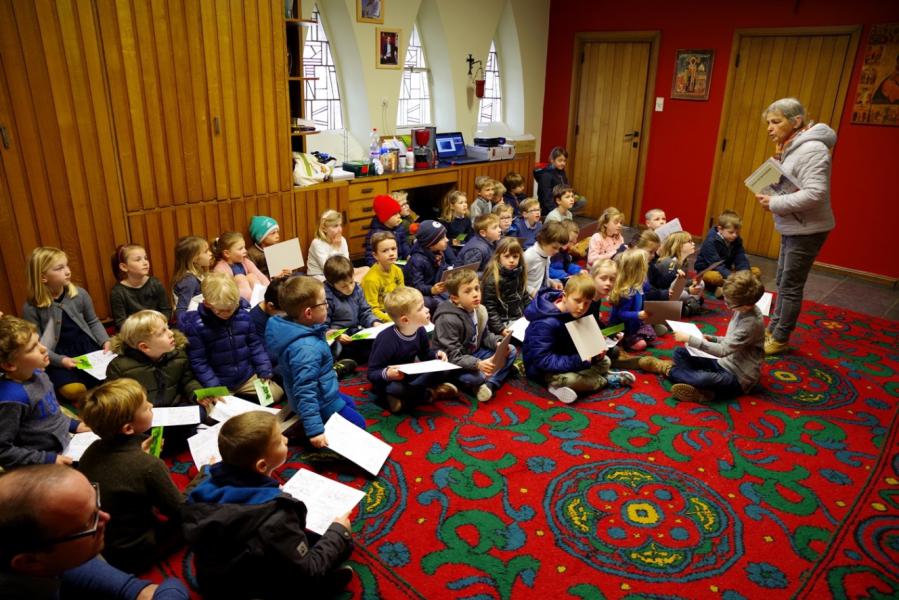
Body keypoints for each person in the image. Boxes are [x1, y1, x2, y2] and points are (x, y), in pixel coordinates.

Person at [182, 412, 354, 599]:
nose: (286, 440)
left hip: (214, 580)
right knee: (334, 551)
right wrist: (339, 533)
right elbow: (307, 571)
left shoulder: (200, 487)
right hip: (252, 590)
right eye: (279, 441)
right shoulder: (276, 517)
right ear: (262, 466)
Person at [0, 464, 188, 600]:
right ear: (30, 562)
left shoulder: (48, 560)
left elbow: (133, 589)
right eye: (88, 523)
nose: (106, 517)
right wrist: (172, 588)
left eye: (96, 503)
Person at [755, 97, 836, 355]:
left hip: (808, 228)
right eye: (768, 122)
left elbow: (816, 194)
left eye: (776, 122)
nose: (770, 128)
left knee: (790, 285)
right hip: (794, 225)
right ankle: (775, 327)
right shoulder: (790, 146)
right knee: (782, 279)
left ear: (796, 121)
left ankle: (780, 337)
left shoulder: (812, 149)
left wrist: (775, 202)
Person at [77, 378, 183, 573]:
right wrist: (204, 474)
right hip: (136, 551)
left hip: (106, 543)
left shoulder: (91, 450)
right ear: (127, 428)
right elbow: (181, 511)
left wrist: (139, 455)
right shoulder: (149, 466)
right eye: (145, 407)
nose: (151, 405)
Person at [266, 276, 367, 448]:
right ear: (308, 313)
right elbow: (305, 391)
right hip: (318, 401)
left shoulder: (294, 325)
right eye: (324, 303)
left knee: (350, 404)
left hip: (322, 391)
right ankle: (313, 440)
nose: (327, 306)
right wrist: (315, 431)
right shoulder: (306, 349)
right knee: (359, 425)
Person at [523, 273, 634, 404]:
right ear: (564, 297)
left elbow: (575, 341)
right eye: (577, 301)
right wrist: (580, 359)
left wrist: (595, 347)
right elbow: (544, 360)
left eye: (587, 303)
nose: (581, 307)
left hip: (567, 357)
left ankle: (595, 375)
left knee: (605, 361)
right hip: (542, 371)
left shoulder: (574, 311)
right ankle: (604, 380)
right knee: (573, 380)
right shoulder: (545, 324)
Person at [107, 310, 212, 447]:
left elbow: (187, 380)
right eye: (162, 332)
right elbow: (115, 401)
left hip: (173, 409)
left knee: (200, 411)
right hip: (145, 415)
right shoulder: (119, 367)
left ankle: (170, 440)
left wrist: (197, 394)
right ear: (145, 347)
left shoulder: (178, 355)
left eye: (168, 327)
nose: (171, 333)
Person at [0, 315, 90, 469]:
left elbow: (52, 414)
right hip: (41, 462)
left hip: (66, 446)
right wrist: (48, 459)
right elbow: (3, 451)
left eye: (38, 341)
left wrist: (75, 425)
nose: (44, 349)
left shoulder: (39, 373)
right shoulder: (11, 399)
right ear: (9, 365)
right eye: (33, 348)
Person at [23, 247, 111, 402]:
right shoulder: (31, 307)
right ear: (43, 277)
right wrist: (60, 360)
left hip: (86, 347)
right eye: (59, 268)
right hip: (57, 355)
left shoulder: (79, 293)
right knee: (74, 390)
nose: (68, 271)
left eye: (67, 265)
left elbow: (93, 321)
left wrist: (105, 341)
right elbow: (37, 344)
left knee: (112, 376)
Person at [180, 273, 284, 404]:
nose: (227, 314)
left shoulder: (244, 317)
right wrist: (214, 386)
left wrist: (264, 368)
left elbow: (255, 345)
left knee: (276, 394)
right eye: (221, 310)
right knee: (213, 411)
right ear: (207, 304)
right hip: (219, 381)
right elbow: (199, 362)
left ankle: (240, 399)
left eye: (231, 308)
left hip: (246, 377)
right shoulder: (196, 326)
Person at [668, 271, 766, 403]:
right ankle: (697, 385)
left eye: (730, 304)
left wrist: (690, 339)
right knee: (680, 353)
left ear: (747, 305)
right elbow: (730, 340)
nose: (727, 306)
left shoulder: (751, 323)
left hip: (737, 376)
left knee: (703, 379)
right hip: (723, 362)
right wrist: (713, 339)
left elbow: (722, 351)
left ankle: (669, 370)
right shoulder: (742, 310)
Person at [367, 286, 457, 413]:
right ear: (405, 320)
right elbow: (372, 373)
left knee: (444, 370)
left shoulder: (419, 329)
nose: (427, 309)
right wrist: (388, 374)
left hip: (409, 374)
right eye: (421, 308)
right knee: (395, 389)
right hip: (391, 380)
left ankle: (409, 397)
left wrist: (437, 355)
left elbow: (425, 354)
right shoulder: (387, 340)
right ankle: (430, 393)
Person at [432, 269, 517, 403]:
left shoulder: (478, 309)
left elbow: (484, 335)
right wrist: (477, 364)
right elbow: (452, 356)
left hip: (474, 352)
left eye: (477, 288)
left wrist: (498, 343)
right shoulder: (447, 319)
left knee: (510, 350)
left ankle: (490, 384)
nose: (475, 294)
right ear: (455, 298)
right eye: (468, 291)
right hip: (454, 363)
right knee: (476, 378)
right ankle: (485, 379)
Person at [323, 255, 380, 376]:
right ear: (332, 284)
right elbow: (322, 326)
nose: (350, 288)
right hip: (338, 337)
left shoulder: (357, 289)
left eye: (351, 282)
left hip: (354, 333)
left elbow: (365, 312)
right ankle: (334, 367)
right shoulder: (326, 297)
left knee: (377, 342)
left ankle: (351, 362)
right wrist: (336, 335)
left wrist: (374, 322)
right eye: (344, 286)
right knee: (334, 348)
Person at [695, 210, 761, 296]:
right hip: (709, 270)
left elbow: (741, 258)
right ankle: (736, 288)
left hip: (726, 270)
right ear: (720, 229)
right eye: (731, 232)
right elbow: (716, 265)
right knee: (714, 277)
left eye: (737, 232)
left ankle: (729, 288)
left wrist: (745, 274)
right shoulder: (710, 241)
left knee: (755, 272)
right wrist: (735, 278)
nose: (735, 235)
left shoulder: (736, 240)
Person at [109, 244, 172, 330]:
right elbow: (121, 322)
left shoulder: (155, 283)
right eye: (138, 260)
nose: (145, 262)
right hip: (135, 333)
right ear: (124, 267)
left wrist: (158, 326)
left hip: (158, 328)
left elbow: (166, 310)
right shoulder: (118, 292)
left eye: (145, 258)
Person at [609, 248, 656, 352]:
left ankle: (646, 331)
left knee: (651, 324)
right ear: (636, 270)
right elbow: (621, 314)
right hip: (624, 327)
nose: (647, 267)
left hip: (636, 322)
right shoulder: (626, 292)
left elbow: (647, 295)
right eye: (645, 266)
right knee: (642, 344)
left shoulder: (640, 285)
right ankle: (626, 343)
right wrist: (638, 315)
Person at [481, 237, 531, 336]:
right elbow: (490, 309)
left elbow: (524, 297)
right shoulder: (492, 279)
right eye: (507, 256)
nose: (511, 260)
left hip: (520, 319)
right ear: (498, 257)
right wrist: (500, 329)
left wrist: (532, 313)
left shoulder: (518, 272)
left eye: (515, 256)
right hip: (504, 322)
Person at [307, 209, 368, 282]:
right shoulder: (317, 243)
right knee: (345, 281)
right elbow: (329, 270)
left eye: (340, 225)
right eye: (335, 226)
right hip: (321, 276)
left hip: (340, 273)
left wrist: (349, 273)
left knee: (367, 269)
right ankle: (349, 285)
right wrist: (335, 249)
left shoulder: (342, 240)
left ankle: (348, 285)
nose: (340, 229)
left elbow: (347, 264)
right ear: (324, 228)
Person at [654, 231, 704, 317]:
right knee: (683, 294)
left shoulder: (684, 261)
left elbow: (681, 282)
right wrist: (688, 290)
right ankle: (681, 307)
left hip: (673, 292)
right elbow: (666, 288)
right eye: (689, 241)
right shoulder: (669, 263)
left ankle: (689, 304)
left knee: (701, 283)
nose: (693, 243)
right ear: (679, 245)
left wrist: (692, 283)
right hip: (661, 296)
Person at [211, 231, 270, 303]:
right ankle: (252, 303)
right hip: (235, 301)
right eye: (240, 249)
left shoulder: (245, 261)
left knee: (252, 276)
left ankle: (262, 299)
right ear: (227, 253)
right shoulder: (220, 268)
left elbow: (260, 276)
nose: (245, 251)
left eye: (244, 247)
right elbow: (224, 290)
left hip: (256, 299)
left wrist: (269, 289)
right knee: (240, 278)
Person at [361, 231, 405, 322]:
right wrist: (392, 319)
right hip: (382, 316)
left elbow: (402, 296)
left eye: (393, 249)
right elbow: (372, 310)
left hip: (396, 311)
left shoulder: (398, 271)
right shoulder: (371, 280)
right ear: (375, 255)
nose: (391, 253)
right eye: (385, 251)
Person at [171, 235, 214, 324]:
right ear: (194, 259)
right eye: (206, 252)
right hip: (194, 324)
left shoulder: (198, 274)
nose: (210, 253)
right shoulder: (189, 280)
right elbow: (181, 309)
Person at [534, 147, 586, 216]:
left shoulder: (561, 171)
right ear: (552, 160)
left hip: (562, 200)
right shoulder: (546, 175)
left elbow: (566, 186)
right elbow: (546, 198)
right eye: (560, 160)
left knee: (582, 200)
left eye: (564, 161)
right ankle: (564, 214)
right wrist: (556, 212)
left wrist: (573, 195)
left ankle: (566, 213)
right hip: (552, 206)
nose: (563, 163)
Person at [363, 195, 410, 267]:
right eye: (395, 214)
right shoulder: (375, 235)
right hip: (385, 267)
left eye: (398, 213)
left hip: (400, 262)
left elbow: (404, 244)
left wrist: (408, 256)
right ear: (385, 218)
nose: (399, 216)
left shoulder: (399, 227)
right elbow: (370, 258)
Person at [524, 221, 568, 296]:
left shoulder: (547, 254)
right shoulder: (528, 256)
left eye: (559, 248)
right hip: (530, 298)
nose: (557, 251)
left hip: (543, 292)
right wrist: (532, 292)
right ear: (544, 240)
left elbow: (542, 277)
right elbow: (518, 283)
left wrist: (551, 283)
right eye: (554, 247)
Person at [247, 215, 291, 279]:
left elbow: (287, 266)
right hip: (267, 284)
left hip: (283, 279)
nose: (277, 236)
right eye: (273, 233)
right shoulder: (251, 254)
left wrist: (289, 271)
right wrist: (272, 277)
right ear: (261, 237)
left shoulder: (277, 248)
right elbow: (253, 276)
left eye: (277, 232)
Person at [438, 189, 473, 264]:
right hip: (448, 248)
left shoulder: (466, 219)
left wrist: (461, 241)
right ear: (452, 206)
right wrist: (452, 241)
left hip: (461, 246)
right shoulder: (445, 221)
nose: (465, 205)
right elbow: (441, 240)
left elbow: (468, 234)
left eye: (465, 202)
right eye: (461, 203)